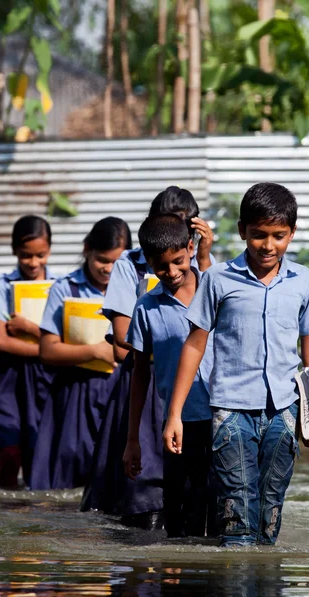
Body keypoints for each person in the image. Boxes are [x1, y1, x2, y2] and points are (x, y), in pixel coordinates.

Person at [164, 182, 309, 547]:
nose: (268, 245)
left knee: (270, 510)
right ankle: (236, 592)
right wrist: (175, 413)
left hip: (284, 412)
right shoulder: (218, 279)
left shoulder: (303, 282)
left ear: (292, 233)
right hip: (230, 410)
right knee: (236, 508)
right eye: (258, 235)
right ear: (243, 231)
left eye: (278, 236)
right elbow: (194, 346)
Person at [81, 186, 213, 528]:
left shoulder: (210, 276)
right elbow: (127, 344)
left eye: (183, 228)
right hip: (157, 379)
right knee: (152, 492)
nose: (170, 269)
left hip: (209, 405)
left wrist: (204, 257)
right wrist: (132, 440)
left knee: (211, 497)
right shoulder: (135, 273)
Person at [122, 215, 215, 538]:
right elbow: (140, 374)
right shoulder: (147, 308)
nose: (173, 273)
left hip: (226, 419)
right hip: (179, 426)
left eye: (179, 262)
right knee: (179, 520)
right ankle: (179, 586)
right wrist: (133, 439)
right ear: (148, 263)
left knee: (222, 515)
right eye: (163, 267)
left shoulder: (216, 291)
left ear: (191, 248)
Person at [29, 217, 132, 490]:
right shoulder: (65, 289)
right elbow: (47, 350)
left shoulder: (137, 288)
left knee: (115, 470)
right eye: (102, 260)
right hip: (76, 392)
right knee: (69, 469)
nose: (108, 269)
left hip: (122, 390)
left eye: (116, 262)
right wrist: (93, 350)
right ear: (87, 249)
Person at [0, 215, 56, 489]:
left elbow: (67, 338)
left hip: (45, 379)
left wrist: (29, 329)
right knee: (9, 452)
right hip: (6, 379)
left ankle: (33, 520)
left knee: (38, 453)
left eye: (40, 255)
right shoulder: (2, 286)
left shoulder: (59, 286)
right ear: (14, 251)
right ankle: (4, 512)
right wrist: (49, 349)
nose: (34, 263)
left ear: (49, 251)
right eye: (26, 256)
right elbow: (1, 341)